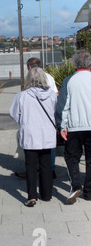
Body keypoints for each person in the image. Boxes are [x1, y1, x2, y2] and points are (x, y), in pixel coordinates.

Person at [10, 67, 57, 207]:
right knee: (46, 165)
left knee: (30, 166)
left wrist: (25, 122)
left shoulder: (22, 96)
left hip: (30, 134)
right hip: (47, 134)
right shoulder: (52, 95)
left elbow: (14, 114)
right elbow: (56, 113)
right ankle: (47, 194)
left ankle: (32, 197)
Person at [15, 57, 59, 179]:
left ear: (29, 67)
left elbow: (15, 112)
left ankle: (37, 173)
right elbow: (56, 96)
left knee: (32, 152)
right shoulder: (49, 77)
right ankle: (50, 170)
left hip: (32, 121)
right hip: (48, 121)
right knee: (48, 148)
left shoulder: (31, 78)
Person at [57, 49, 91, 204]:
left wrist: (62, 126)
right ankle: (89, 191)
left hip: (75, 126)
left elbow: (63, 106)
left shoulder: (69, 81)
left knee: (71, 157)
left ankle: (76, 185)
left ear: (75, 63)